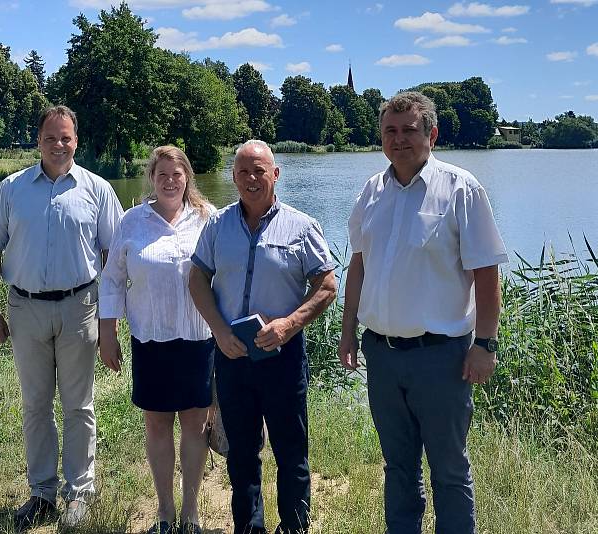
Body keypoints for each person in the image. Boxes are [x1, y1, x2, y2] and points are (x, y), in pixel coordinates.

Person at [338, 91, 507, 534]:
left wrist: (485, 344)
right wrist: (348, 330)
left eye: (409, 130)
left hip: (442, 358)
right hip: (384, 356)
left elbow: (487, 274)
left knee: (449, 470)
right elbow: (359, 264)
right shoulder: (371, 192)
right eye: (390, 131)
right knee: (397, 466)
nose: (399, 140)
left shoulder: (461, 189)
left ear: (431, 134)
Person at [0, 105, 124, 530]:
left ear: (77, 140)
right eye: (51, 137)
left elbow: (113, 257)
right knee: (36, 405)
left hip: (80, 306)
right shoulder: (12, 188)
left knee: (79, 405)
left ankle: (79, 493)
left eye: (66, 137)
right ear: (37, 140)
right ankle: (41, 492)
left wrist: (111, 321)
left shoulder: (97, 189)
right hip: (25, 307)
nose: (59, 144)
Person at [189, 140, 337, 534]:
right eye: (242, 172)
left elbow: (326, 285)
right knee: (241, 454)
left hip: (282, 357)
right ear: (232, 176)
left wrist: (289, 323)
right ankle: (249, 527)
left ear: (276, 174)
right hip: (232, 354)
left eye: (259, 171)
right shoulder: (217, 225)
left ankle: (293, 527)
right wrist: (219, 331)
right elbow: (197, 278)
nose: (251, 179)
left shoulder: (301, 225)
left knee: (291, 452)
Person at [99, 146, 215, 534]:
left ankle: (191, 512)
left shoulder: (207, 218)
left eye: (176, 174)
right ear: (151, 177)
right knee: (157, 425)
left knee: (196, 426)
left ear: (187, 178)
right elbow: (112, 279)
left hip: (199, 339)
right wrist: (108, 332)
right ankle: (165, 512)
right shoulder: (133, 221)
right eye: (162, 174)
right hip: (151, 339)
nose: (169, 181)